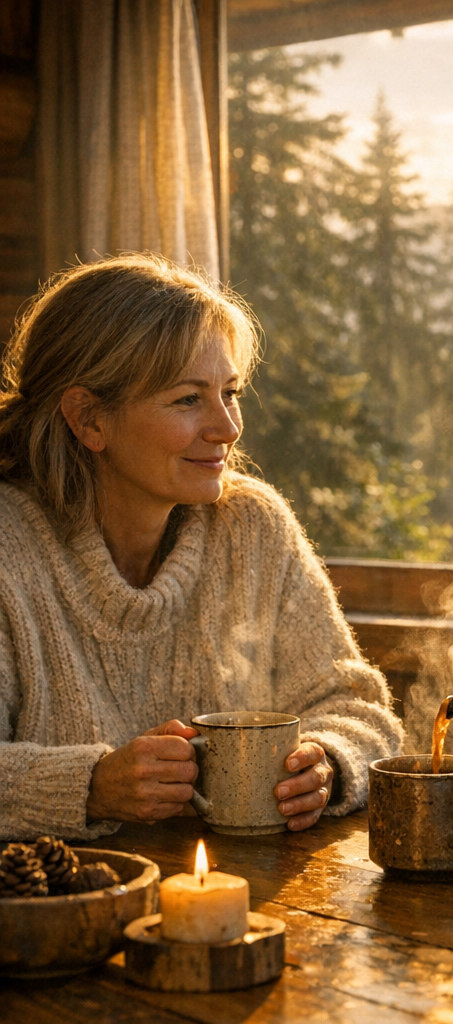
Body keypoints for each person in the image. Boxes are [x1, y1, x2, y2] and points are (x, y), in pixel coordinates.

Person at [0, 254, 402, 841]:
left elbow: (357, 708)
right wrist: (90, 785)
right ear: (89, 419)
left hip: (262, 899)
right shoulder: (10, 548)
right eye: (189, 399)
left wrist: (326, 760)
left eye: (229, 393)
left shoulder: (253, 528)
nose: (228, 427)